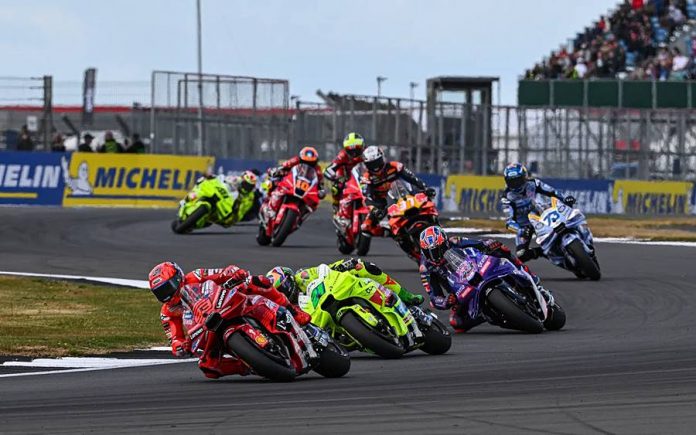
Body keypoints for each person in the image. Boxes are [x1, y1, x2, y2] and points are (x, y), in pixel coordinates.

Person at [147, 262, 311, 379]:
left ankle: (292, 310)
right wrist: (180, 346)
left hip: (224, 303)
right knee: (208, 367)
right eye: (161, 293)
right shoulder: (168, 312)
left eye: (168, 288)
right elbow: (175, 338)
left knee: (257, 282)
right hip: (206, 331)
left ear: (178, 278)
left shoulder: (195, 276)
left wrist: (233, 273)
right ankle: (247, 365)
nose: (167, 295)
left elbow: (220, 273)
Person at [418, 225, 555, 333]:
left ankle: (530, 278)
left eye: (438, 250)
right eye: (430, 252)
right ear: (423, 251)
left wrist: (489, 245)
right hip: (460, 290)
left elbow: (479, 243)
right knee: (457, 323)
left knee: (502, 249)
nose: (435, 256)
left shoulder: (455, 241)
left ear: (445, 243)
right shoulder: (425, 268)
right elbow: (434, 297)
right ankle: (488, 315)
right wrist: (446, 301)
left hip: (477, 268)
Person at [267, 258, 425, 307]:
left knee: (364, 268)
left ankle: (406, 296)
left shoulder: (302, 276)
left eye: (283, 287)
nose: (284, 292)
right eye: (279, 292)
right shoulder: (288, 308)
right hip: (323, 321)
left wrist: (344, 265)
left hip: (337, 290)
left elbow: (325, 269)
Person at [500, 163, 575, 262]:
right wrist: (520, 230)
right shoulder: (506, 198)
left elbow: (553, 192)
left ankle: (578, 236)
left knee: (566, 220)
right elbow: (509, 223)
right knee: (521, 254)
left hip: (542, 215)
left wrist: (565, 199)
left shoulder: (534, 183)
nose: (516, 184)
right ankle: (543, 252)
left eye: (518, 180)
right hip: (526, 226)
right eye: (512, 182)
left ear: (525, 177)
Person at [360, 145, 435, 238]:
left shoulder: (395, 166)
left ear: (382, 158)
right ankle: (390, 232)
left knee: (426, 199)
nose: (376, 167)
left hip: (402, 194)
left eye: (377, 162)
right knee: (366, 227)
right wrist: (374, 209)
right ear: (366, 165)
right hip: (382, 202)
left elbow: (412, 178)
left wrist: (425, 188)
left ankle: (432, 219)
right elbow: (366, 197)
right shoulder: (366, 177)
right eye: (372, 164)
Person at [264, 146, 326, 220]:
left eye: (311, 163)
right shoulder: (295, 160)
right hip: (291, 180)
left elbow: (320, 182)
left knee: (314, 204)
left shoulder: (317, 169)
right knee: (274, 182)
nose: (308, 164)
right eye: (305, 162)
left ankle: (300, 217)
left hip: (305, 187)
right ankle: (270, 205)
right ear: (300, 159)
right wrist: (276, 170)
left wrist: (321, 190)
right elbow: (284, 165)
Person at [324, 132, 365, 210]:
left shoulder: (367, 152)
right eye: (351, 151)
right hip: (346, 176)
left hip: (364, 176)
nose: (354, 154)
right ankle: (336, 205)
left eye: (357, 150)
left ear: (362, 147)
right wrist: (335, 178)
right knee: (336, 187)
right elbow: (329, 169)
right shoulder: (342, 155)